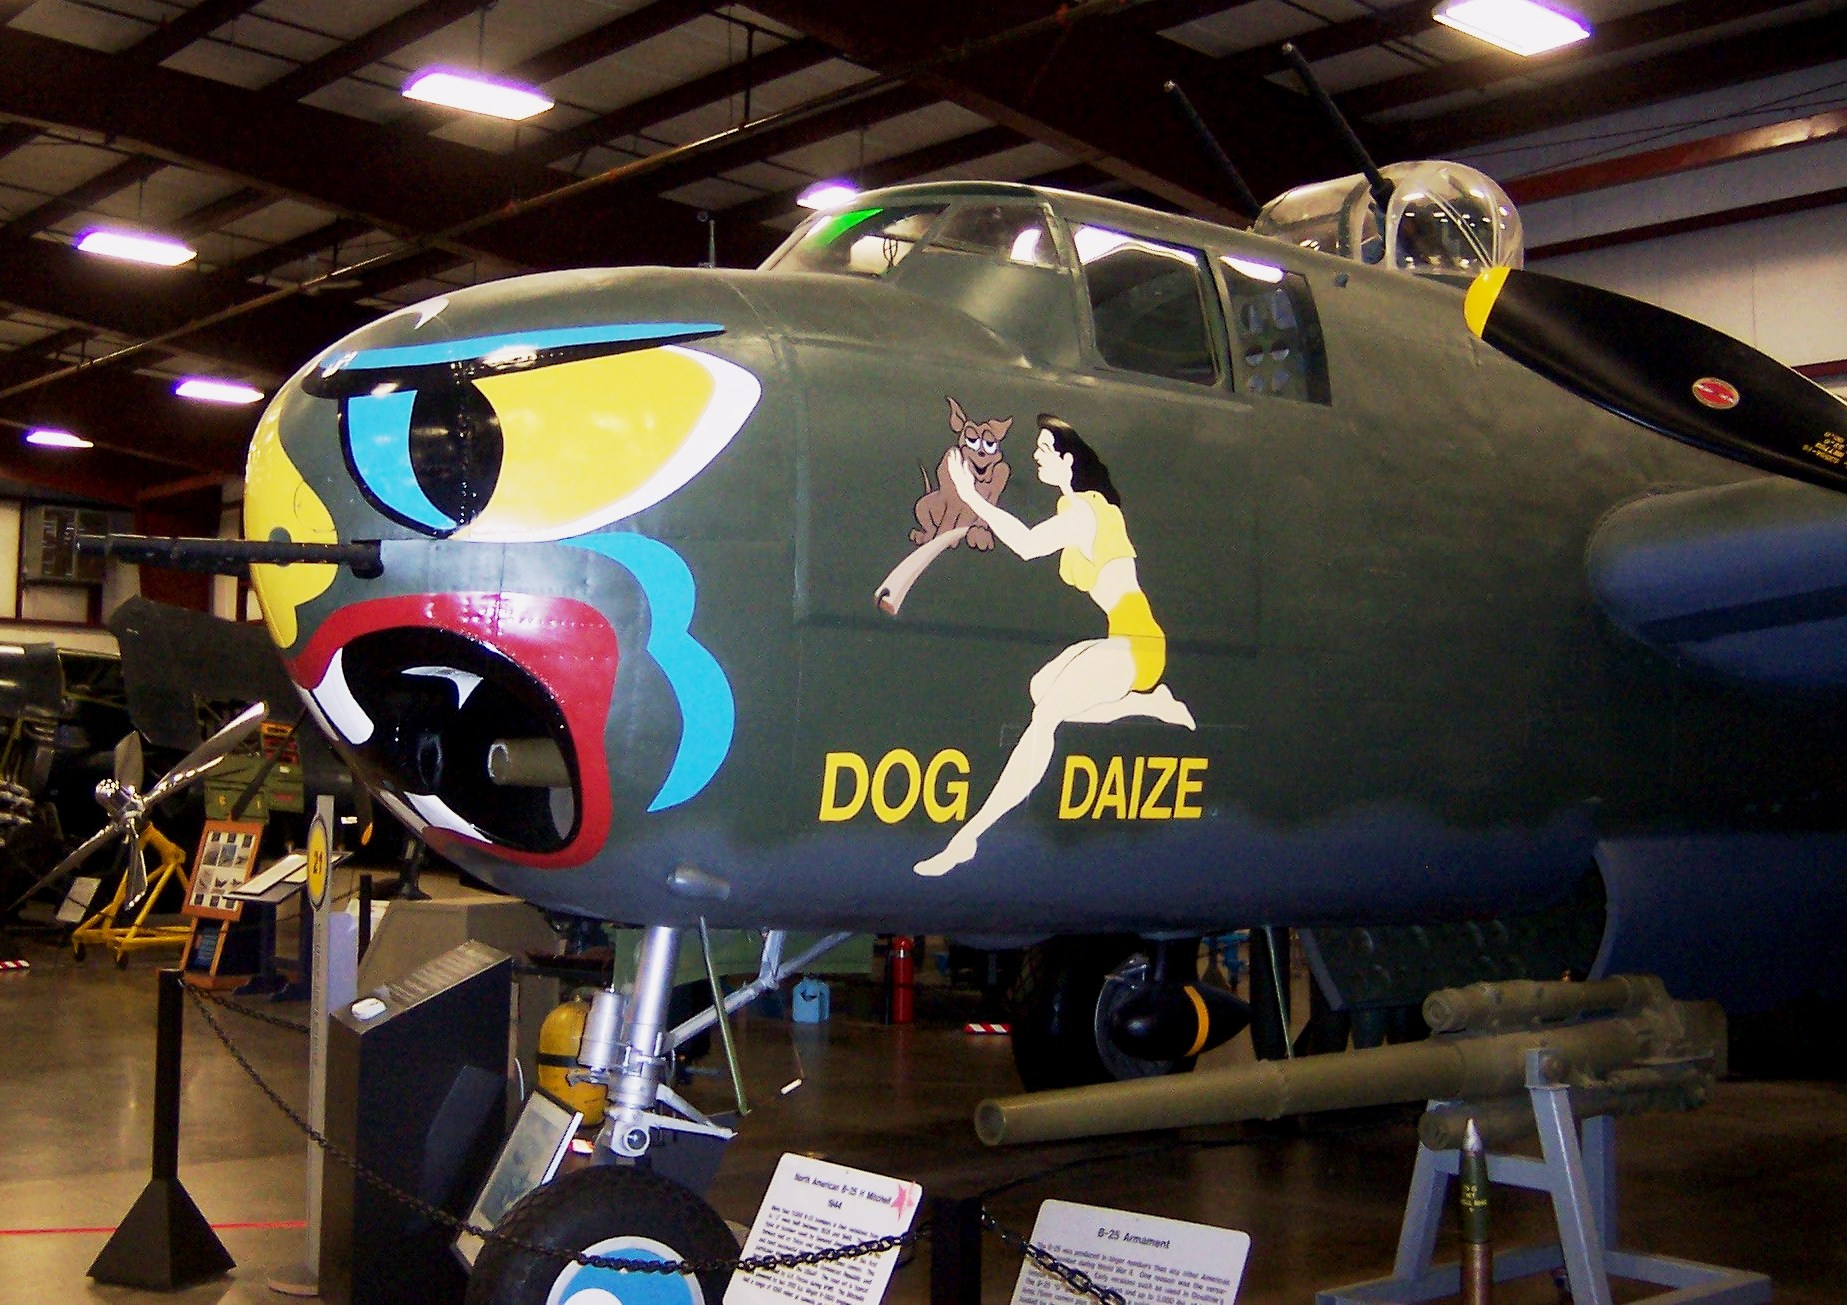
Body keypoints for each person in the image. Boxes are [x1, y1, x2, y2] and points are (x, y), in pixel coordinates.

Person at [914, 415, 1194, 877]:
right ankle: (1148, 703)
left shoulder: (1085, 512)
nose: (1036, 455)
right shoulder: (1079, 508)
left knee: (1044, 719)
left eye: (1045, 448)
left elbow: (1027, 545)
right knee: (1041, 689)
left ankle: (967, 838)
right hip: (1125, 637)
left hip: (1137, 642)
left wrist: (970, 497)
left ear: (1069, 460)